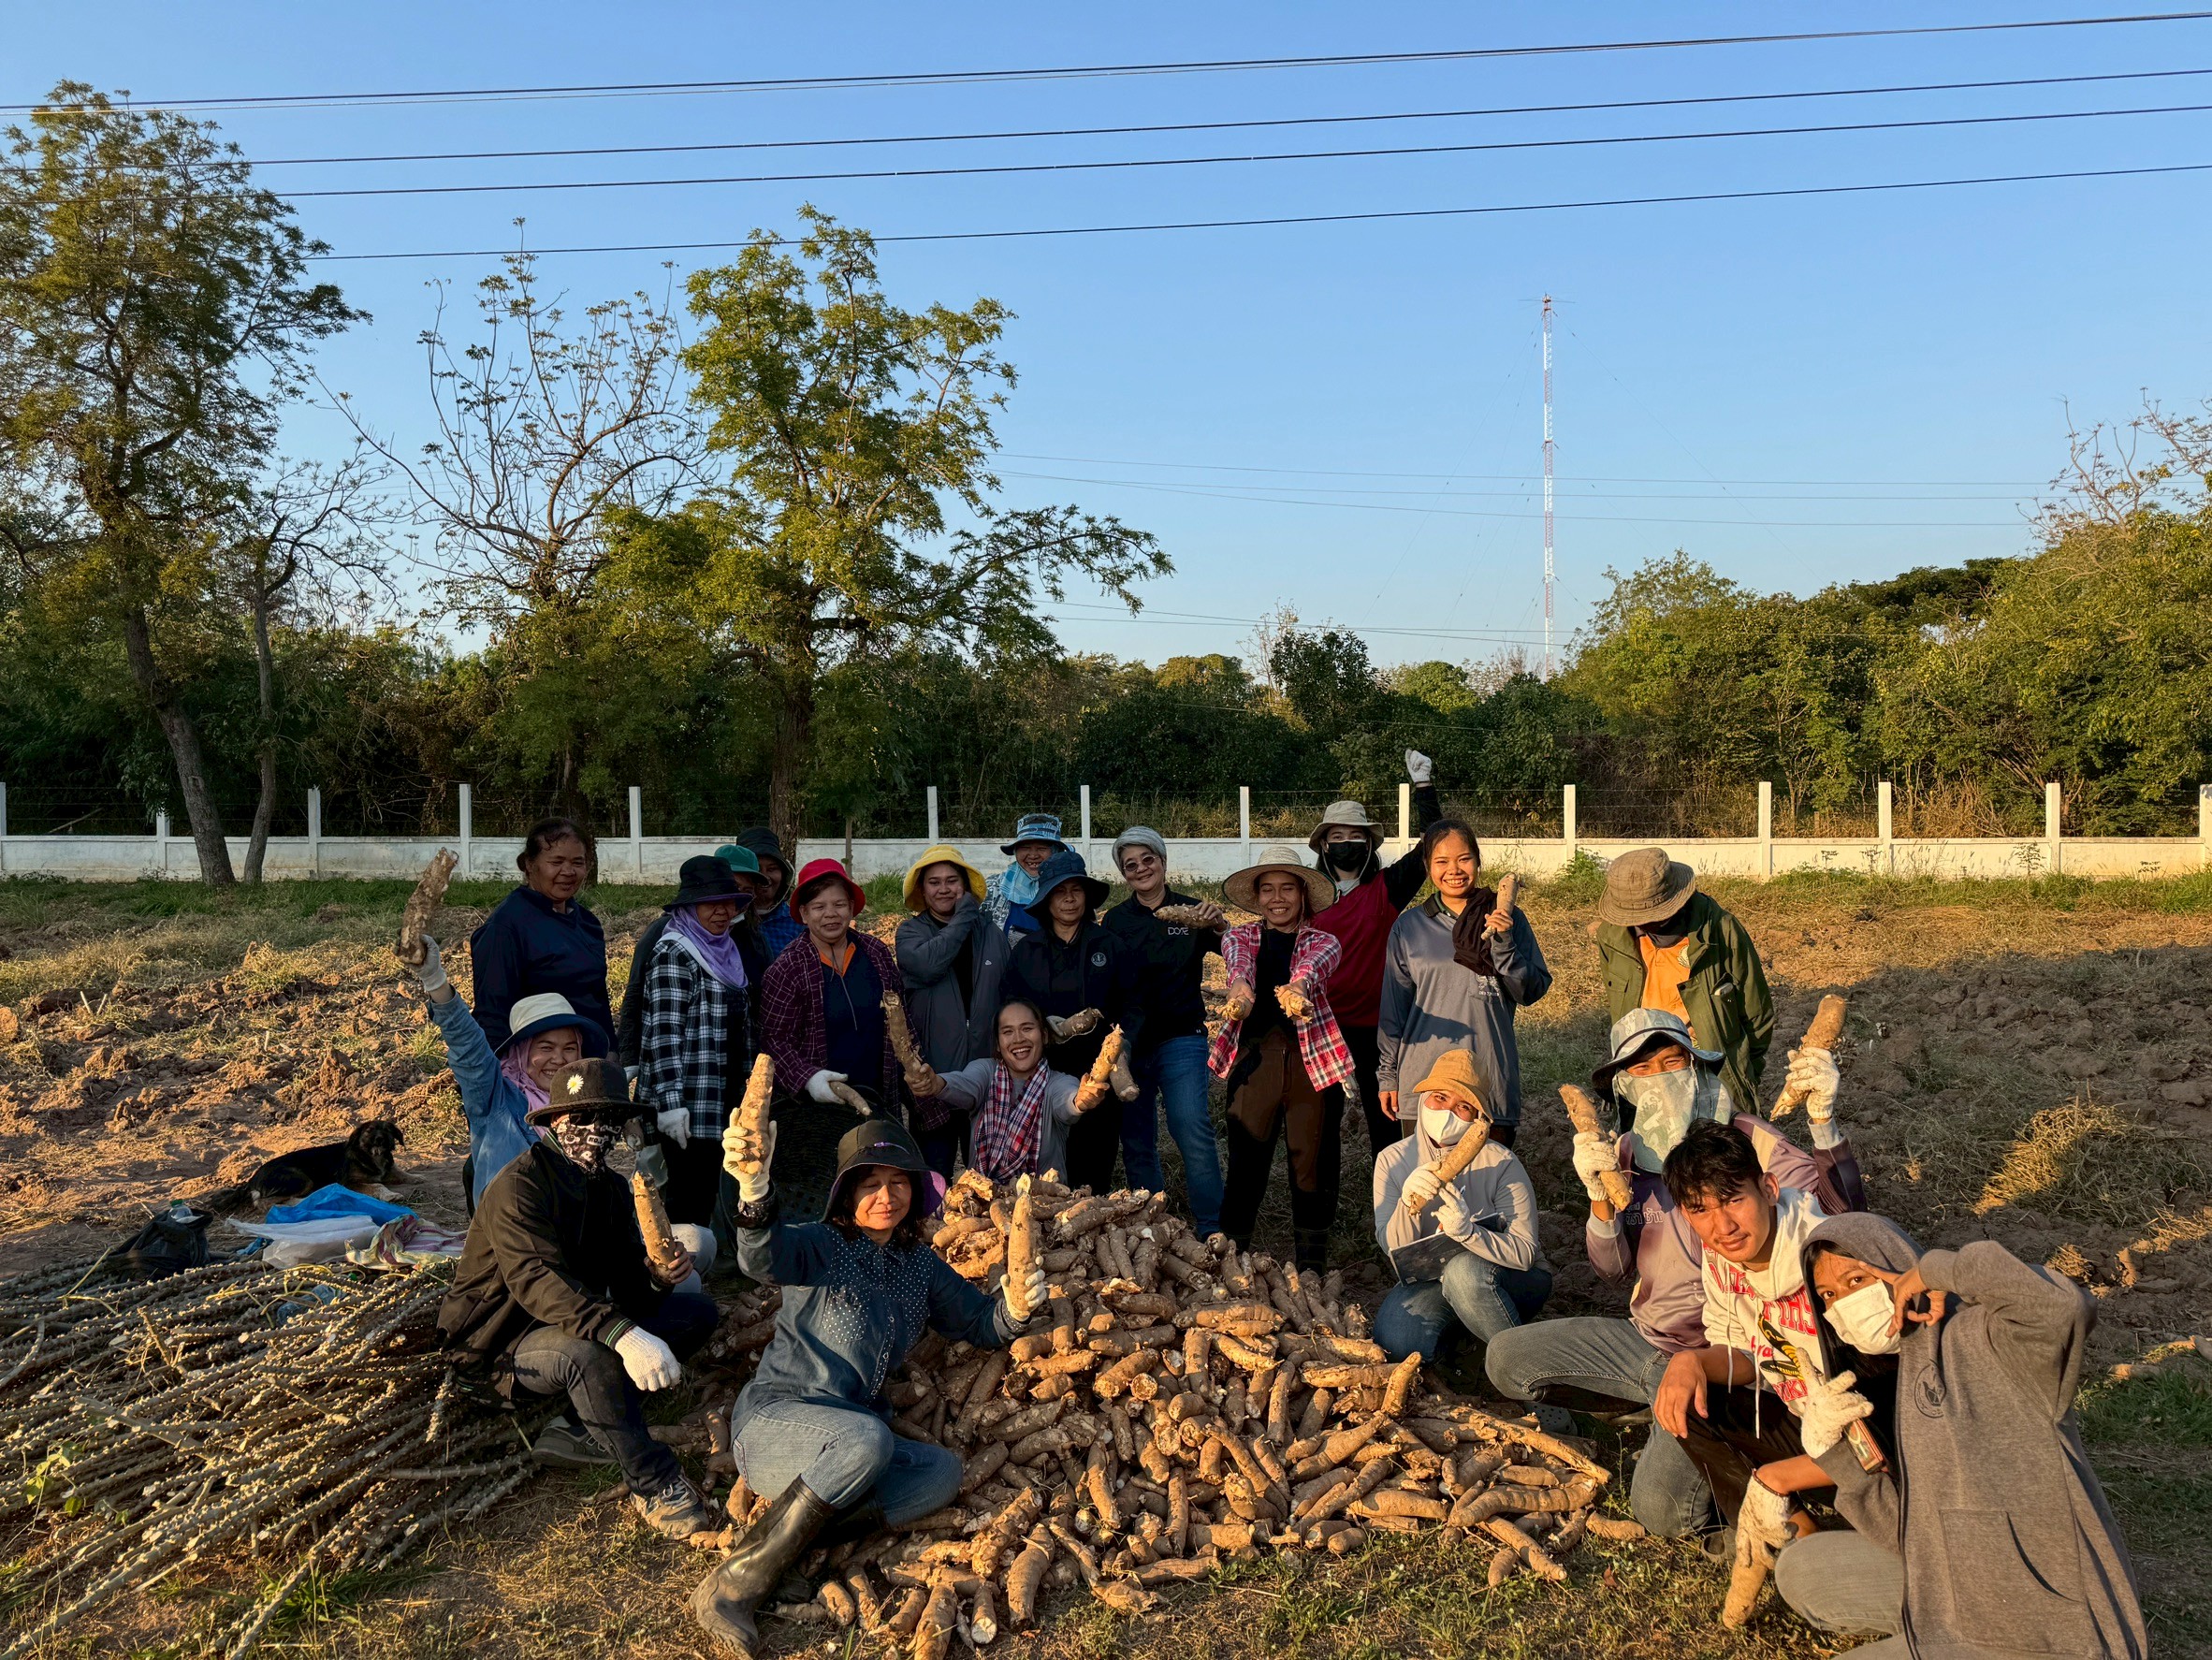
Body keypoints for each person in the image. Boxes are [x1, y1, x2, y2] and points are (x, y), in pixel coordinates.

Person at [1484, 1010, 1859, 1536]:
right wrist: (1598, 1196)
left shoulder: (1746, 1144)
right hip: (1648, 1340)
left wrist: (1825, 1126)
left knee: (1661, 1511)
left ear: (1697, 1066)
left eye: (1671, 1061)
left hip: (1730, 1359)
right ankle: (1655, 1400)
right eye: (1641, 1069)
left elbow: (1839, 1224)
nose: (1659, 1077)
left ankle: (1715, 1445)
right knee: (1506, 1357)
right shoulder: (1623, 1156)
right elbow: (1612, 1271)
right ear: (1623, 1085)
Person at [691, 1115, 1046, 1658]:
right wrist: (755, 1192)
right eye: (871, 1183)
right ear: (847, 1194)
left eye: (899, 1181)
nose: (887, 1196)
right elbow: (760, 1256)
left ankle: (788, 1550)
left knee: (941, 1473)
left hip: (854, 1446)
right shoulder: (820, 1244)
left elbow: (979, 1322)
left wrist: (1016, 1308)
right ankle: (731, 1587)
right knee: (867, 1438)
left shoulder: (919, 1266)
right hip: (775, 1426)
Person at [1772, 1212, 2147, 1658]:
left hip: (2048, 1624)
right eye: (1829, 1295)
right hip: (1960, 1591)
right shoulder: (1879, 1382)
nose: (1844, 1303)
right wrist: (1832, 1452)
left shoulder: (1990, 1336)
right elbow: (1902, 1534)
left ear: (1897, 1267)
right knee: (1803, 1568)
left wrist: (1937, 1269)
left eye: (1856, 1280)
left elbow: (2062, 1307)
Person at [437, 1058, 720, 1533]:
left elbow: (627, 1284)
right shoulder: (518, 1186)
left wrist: (658, 1277)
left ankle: (577, 1421)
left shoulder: (610, 1187)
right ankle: (653, 1482)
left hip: (566, 1322)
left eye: (610, 1119)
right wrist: (623, 1334)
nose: (596, 1130)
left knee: (697, 1313)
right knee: (592, 1353)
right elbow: (536, 1279)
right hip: (499, 1345)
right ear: (555, 1121)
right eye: (583, 1118)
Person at [1647, 1120, 1845, 1551]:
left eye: (1733, 1200)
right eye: (1701, 1210)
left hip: (1868, 1447)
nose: (1723, 1226)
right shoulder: (1721, 1257)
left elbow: (1881, 1408)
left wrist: (1781, 1475)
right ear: (1685, 1215)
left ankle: (1812, 1516)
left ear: (1769, 1189)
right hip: (1803, 1424)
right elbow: (1743, 1352)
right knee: (1693, 1400)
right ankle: (1793, 1535)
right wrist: (1690, 1360)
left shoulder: (1829, 1258)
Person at [1211, 844, 1350, 1274]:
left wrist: (1298, 988)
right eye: (1267, 889)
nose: (1277, 898)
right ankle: (1233, 1263)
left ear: (1302, 894)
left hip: (1312, 1064)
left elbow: (1313, 966)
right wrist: (1239, 989)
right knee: (1246, 1163)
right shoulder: (1240, 937)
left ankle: (1312, 1268)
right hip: (1256, 1063)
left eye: (1287, 888)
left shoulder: (1323, 941)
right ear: (1256, 897)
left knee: (1313, 1165)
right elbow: (1238, 965)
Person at [1375, 820, 1550, 1149]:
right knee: (1425, 1179)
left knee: (1489, 1178)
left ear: (1478, 861)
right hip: (1424, 1081)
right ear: (1427, 866)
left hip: (1489, 1078)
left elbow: (1530, 991)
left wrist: (1503, 942)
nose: (1454, 870)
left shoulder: (1509, 918)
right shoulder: (1409, 927)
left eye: (1464, 859)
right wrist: (1387, 1074)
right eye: (1441, 861)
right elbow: (1394, 1009)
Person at [403, 922, 603, 1209]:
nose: (559, 1059)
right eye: (546, 1048)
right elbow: (469, 1048)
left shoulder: (584, 1107)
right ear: (521, 1052)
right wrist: (435, 980)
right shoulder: (497, 1098)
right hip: (511, 1228)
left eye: (570, 1048)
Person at [758, 858, 917, 1217]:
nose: (830, 914)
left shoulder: (875, 954)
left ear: (852, 908)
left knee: (874, 1181)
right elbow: (773, 1041)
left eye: (839, 904)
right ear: (803, 913)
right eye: (819, 907)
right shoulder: (788, 968)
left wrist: (915, 1072)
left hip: (876, 1094)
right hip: (820, 1107)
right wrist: (809, 1078)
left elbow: (900, 1020)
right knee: (829, 1187)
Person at [1308, 751, 1444, 1171]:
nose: (1346, 843)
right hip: (1322, 1027)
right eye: (1337, 836)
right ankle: (1321, 1206)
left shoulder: (1387, 887)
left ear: (1368, 844)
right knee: (1320, 1125)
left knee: (1385, 1120)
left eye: (1355, 836)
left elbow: (1435, 845)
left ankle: (1393, 1198)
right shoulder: (1307, 894)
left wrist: (1424, 788)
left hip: (1378, 1029)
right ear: (1324, 845)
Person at [1371, 1050, 1550, 1366]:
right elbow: (1392, 1248)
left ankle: (1527, 1369)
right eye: (1440, 1098)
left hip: (1509, 1279)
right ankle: (1467, 1341)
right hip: (1432, 1281)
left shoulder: (1501, 1162)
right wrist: (1407, 1204)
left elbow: (1524, 1253)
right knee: (1397, 1342)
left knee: (1463, 1272)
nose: (1448, 1112)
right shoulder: (1392, 1160)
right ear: (1424, 1099)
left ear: (1478, 1117)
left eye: (1463, 1107)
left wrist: (1469, 1233)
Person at [1099, 825, 1229, 1238]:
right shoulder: (1116, 920)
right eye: (1130, 865)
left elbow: (1235, 951)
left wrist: (1220, 925)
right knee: (1137, 1137)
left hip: (1182, 1036)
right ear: (1123, 874)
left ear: (1163, 862)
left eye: (1147, 860)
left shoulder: (1193, 912)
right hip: (1131, 1043)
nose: (1140, 869)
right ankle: (1150, 1225)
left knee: (1191, 1126)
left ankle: (1212, 1226)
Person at [1003, 848, 1139, 1194]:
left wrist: (1122, 1047)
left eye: (1076, 890)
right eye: (1059, 892)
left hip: (1099, 1073)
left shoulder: (1110, 946)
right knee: (1045, 1170)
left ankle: (1091, 1218)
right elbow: (1010, 1007)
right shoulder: (1026, 951)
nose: (1069, 899)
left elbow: (1134, 1005)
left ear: (1086, 896)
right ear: (1046, 899)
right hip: (1043, 1074)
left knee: (1093, 1167)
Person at [1596, 848, 1774, 1114]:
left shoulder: (1721, 930)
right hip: (1646, 1073)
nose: (1643, 924)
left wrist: (1744, 1074)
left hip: (1710, 1068)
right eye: (1635, 919)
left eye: (1652, 916)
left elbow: (1756, 1013)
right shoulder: (1612, 937)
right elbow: (1619, 1013)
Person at [638, 855, 757, 1230]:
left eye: (728, 903)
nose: (723, 912)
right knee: (685, 1197)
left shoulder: (725, 950)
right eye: (710, 904)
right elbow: (663, 1033)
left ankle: (703, 1258)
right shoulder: (674, 953)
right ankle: (678, 1264)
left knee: (709, 1191)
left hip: (723, 1091)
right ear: (689, 907)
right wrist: (672, 1106)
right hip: (691, 1102)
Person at [893, 844, 1011, 1177]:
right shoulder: (910, 933)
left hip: (985, 1075)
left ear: (965, 885)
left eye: (952, 881)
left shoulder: (991, 935)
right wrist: (964, 915)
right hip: (932, 1074)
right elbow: (928, 965)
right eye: (934, 882)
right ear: (922, 890)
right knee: (933, 1174)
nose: (943, 889)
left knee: (988, 1177)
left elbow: (1009, 995)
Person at [470, 817, 612, 1055]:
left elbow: (597, 997)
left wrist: (611, 1051)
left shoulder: (588, 923)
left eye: (578, 862)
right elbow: (492, 1015)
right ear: (529, 864)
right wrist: (499, 1073)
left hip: (587, 1060)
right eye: (556, 862)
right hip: (540, 1065)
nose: (568, 871)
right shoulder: (506, 927)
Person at [929, 999, 1112, 1183]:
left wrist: (1080, 1101)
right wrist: (937, 1083)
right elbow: (964, 1084)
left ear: (1044, 1035)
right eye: (1008, 1032)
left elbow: (1068, 1101)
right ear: (998, 1044)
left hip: (1045, 1198)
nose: (1018, 1039)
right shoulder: (985, 1072)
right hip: (981, 1194)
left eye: (1027, 1029)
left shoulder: (1058, 1083)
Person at [618, 844, 766, 1068]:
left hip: (731, 1064)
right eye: (733, 887)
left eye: (745, 893)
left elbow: (759, 999)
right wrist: (629, 1057)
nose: (724, 909)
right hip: (691, 1068)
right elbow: (639, 996)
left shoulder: (751, 938)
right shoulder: (667, 941)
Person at [983, 813, 1066, 935]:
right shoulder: (994, 888)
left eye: (1042, 848)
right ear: (1015, 851)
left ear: (1056, 852)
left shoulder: (1068, 887)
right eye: (1025, 848)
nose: (1033, 855)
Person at [735, 827, 804, 962]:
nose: (765, 877)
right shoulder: (726, 919)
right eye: (757, 869)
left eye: (772, 869)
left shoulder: (797, 922)